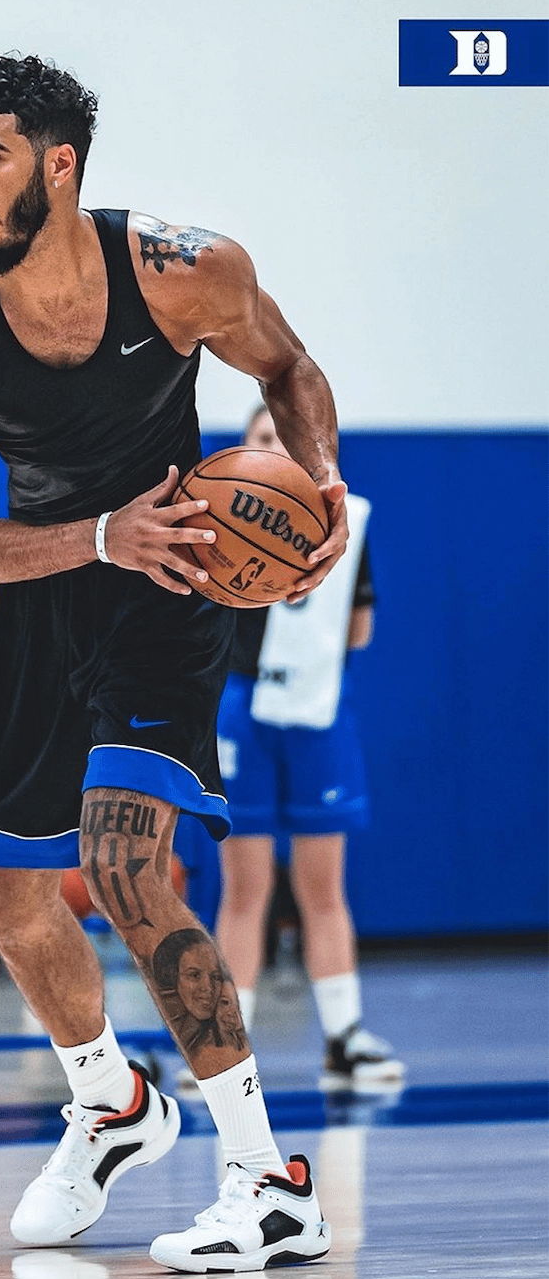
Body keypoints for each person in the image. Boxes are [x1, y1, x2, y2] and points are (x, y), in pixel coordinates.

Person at [0, 53, 349, 1273]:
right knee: (3, 897)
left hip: (178, 574)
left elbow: (289, 371)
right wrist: (93, 535)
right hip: (46, 582)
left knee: (124, 865)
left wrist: (323, 482)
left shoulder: (184, 271)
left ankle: (266, 1179)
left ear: (58, 162)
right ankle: (111, 1101)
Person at [211, 405, 404, 1087]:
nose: (274, 447)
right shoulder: (217, 514)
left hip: (318, 708)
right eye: (262, 438)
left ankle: (344, 1037)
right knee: (245, 888)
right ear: (243, 448)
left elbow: (358, 630)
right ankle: (225, 1051)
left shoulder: (346, 523)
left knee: (324, 885)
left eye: (284, 439)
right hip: (242, 705)